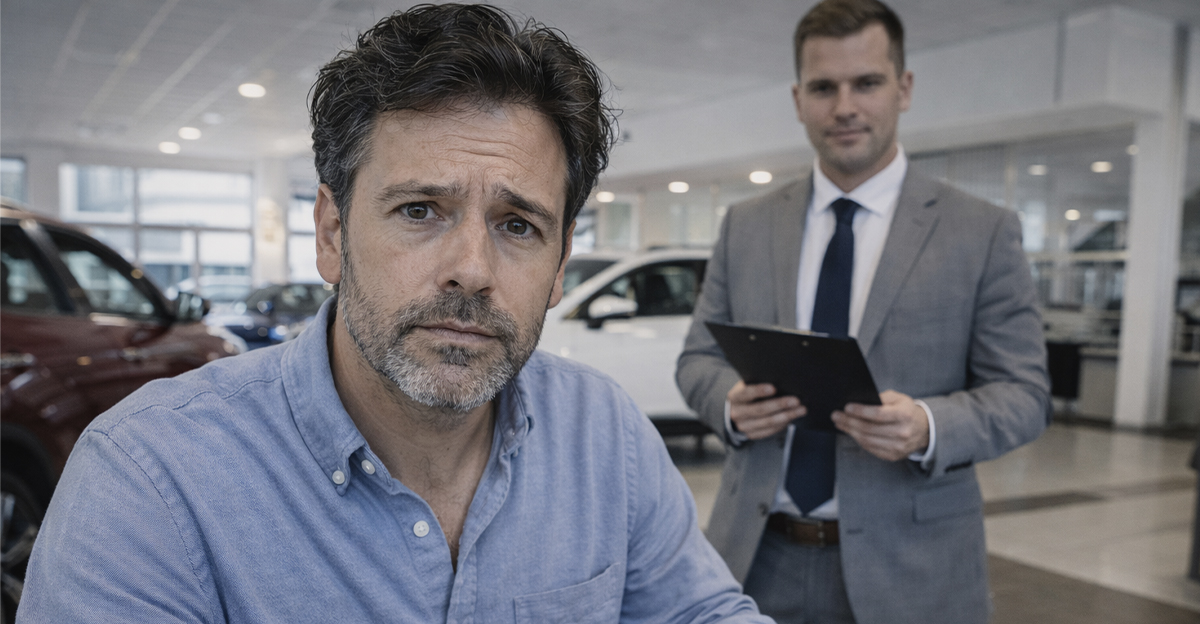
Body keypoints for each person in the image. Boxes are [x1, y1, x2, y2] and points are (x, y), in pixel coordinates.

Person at [18, 5, 770, 623]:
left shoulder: (605, 437)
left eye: (518, 225)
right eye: (420, 209)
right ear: (332, 233)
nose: (472, 270)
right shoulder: (152, 478)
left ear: (559, 264)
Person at [676, 1, 1051, 622]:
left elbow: (1027, 393)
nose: (844, 106)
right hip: (753, 556)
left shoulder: (980, 231)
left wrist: (930, 425)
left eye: (867, 83)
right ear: (799, 99)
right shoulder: (747, 225)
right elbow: (697, 358)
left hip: (913, 570)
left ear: (903, 89)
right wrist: (728, 405)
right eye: (824, 87)